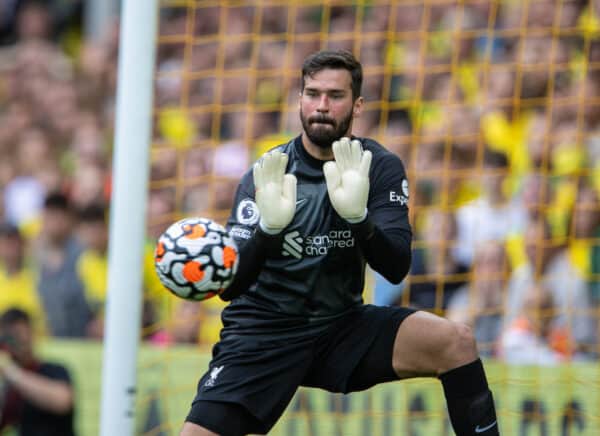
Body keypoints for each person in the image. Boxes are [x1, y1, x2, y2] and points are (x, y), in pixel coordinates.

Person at [180, 50, 499, 436]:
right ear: (300, 99)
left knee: (456, 342)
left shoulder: (378, 166)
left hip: (341, 328)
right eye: (312, 94)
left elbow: (396, 266)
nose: (322, 106)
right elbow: (230, 288)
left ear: (357, 104)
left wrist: (359, 220)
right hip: (264, 334)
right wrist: (267, 230)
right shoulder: (269, 171)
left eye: (335, 96)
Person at [0, 307, 75, 435]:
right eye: (8, 336)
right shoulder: (6, 382)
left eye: (18, 334)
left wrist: (11, 372)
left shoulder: (53, 370)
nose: (14, 342)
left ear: (32, 334)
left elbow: (63, 401)